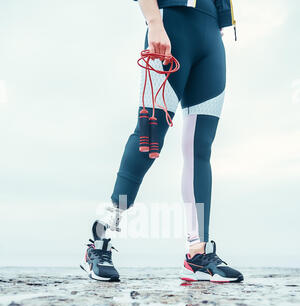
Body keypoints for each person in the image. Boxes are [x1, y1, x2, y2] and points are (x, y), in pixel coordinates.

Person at [80, 0, 243, 283]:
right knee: (149, 138)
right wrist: (155, 22)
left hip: (212, 36)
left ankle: (198, 254)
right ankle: (99, 241)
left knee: (200, 148)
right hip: (171, 25)